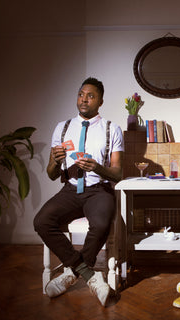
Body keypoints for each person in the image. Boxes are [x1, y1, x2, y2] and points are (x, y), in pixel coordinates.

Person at [34, 77, 124, 306]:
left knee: (102, 222)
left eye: (90, 96)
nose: (84, 99)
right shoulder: (62, 127)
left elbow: (117, 174)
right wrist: (55, 161)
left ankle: (69, 274)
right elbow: (51, 174)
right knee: (41, 221)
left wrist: (98, 167)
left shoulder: (112, 129)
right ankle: (89, 275)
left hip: (99, 191)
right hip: (70, 190)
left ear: (101, 101)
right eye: (81, 94)